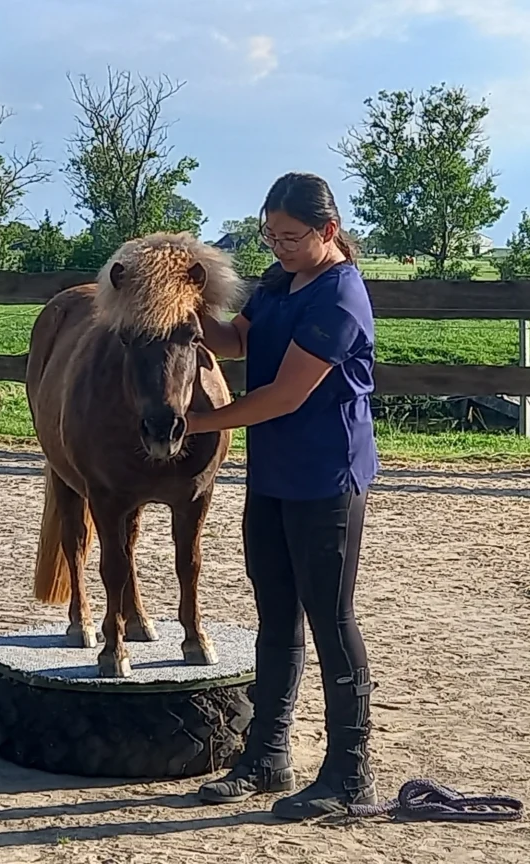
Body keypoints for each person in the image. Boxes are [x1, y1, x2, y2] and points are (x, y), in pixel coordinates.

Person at [185, 171, 380, 820]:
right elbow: (237, 340)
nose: (278, 246)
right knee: (276, 619)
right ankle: (266, 755)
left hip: (326, 481)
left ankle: (351, 776)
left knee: (332, 622)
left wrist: (194, 422)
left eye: (291, 236)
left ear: (329, 230)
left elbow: (285, 394)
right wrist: (179, 310)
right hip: (272, 478)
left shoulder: (339, 297)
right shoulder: (278, 282)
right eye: (269, 234)